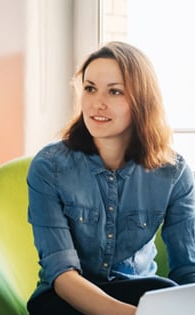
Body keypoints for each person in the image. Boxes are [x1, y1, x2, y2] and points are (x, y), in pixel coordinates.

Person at [26, 41, 195, 315]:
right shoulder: (49, 167)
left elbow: (188, 272)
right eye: (90, 88)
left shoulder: (174, 173)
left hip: (141, 293)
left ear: (142, 101)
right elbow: (62, 275)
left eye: (115, 91)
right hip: (66, 300)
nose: (97, 103)